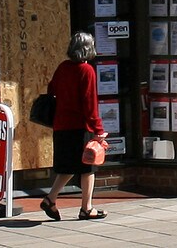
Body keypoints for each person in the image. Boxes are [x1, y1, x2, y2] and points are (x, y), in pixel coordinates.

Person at [41, 32, 107, 221]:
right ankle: (86, 208)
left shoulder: (63, 67)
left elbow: (51, 89)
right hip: (81, 126)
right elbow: (90, 104)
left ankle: (51, 198)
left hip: (61, 125)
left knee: (69, 167)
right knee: (88, 167)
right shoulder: (86, 71)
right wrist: (99, 130)